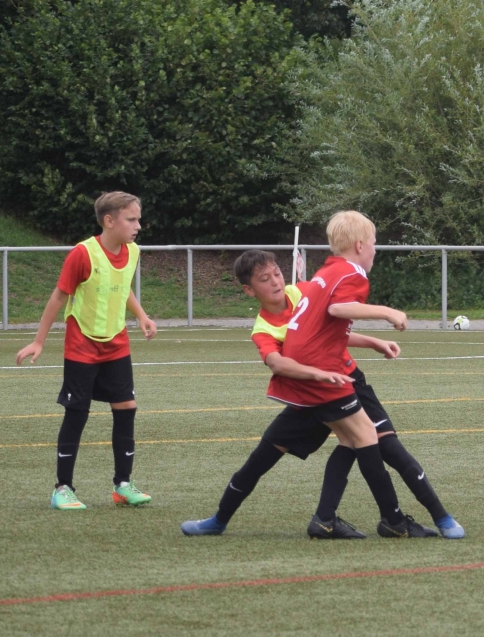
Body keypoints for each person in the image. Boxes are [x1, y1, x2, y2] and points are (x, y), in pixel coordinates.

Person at [180, 217, 451, 539]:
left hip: (342, 379)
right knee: (265, 457)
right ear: (249, 290)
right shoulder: (263, 329)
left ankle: (345, 519)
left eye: (277, 273)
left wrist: (373, 342)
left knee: (379, 445)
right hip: (310, 392)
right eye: (265, 279)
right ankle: (220, 520)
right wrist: (318, 373)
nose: (276, 282)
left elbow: (334, 325)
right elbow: (279, 363)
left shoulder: (301, 292)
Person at [14, 191, 158, 510]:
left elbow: (122, 287)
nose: (138, 225)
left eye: (138, 219)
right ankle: (62, 488)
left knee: (126, 407)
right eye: (131, 219)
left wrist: (141, 315)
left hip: (116, 343)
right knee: (77, 412)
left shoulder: (133, 251)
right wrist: (39, 341)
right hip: (82, 345)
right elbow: (58, 297)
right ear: (109, 221)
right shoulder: (83, 254)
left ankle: (123, 485)